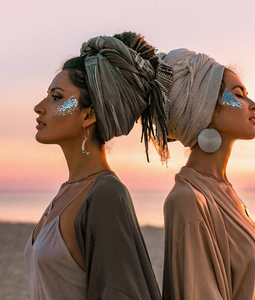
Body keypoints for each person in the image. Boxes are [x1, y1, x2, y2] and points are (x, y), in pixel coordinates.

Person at [24, 32, 170, 300]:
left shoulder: (105, 194)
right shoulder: (68, 191)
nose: (39, 107)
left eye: (56, 97)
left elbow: (120, 291)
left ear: (88, 115)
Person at [158, 49, 255, 300]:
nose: (253, 104)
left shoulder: (225, 190)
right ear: (204, 109)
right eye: (238, 95)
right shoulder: (188, 199)